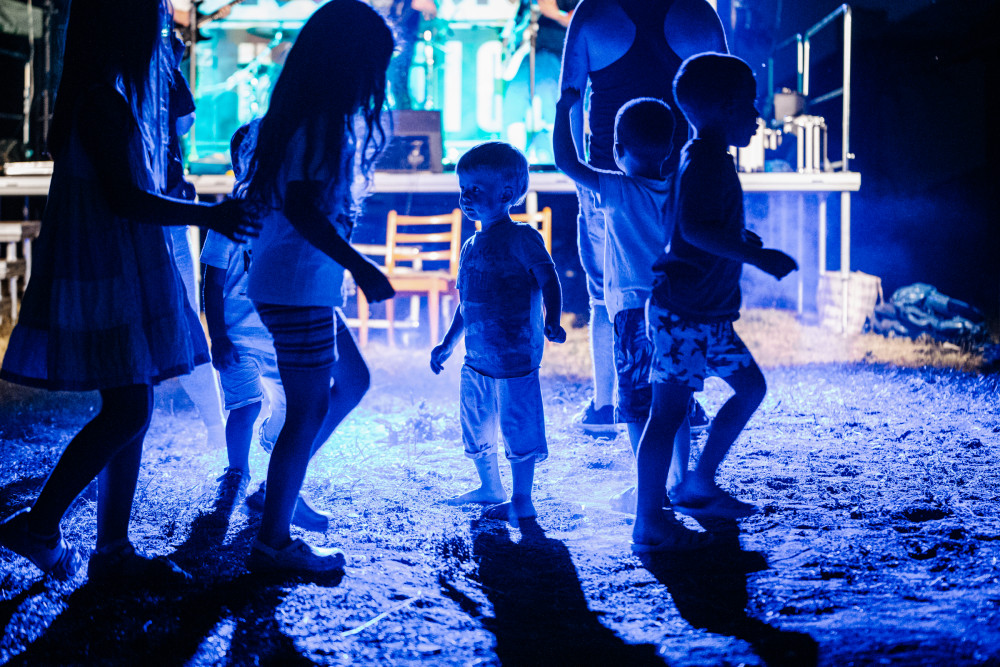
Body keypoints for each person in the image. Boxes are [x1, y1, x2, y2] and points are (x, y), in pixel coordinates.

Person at [0, 0, 257, 582]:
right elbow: (124, 199)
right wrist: (209, 215)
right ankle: (42, 526)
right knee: (129, 407)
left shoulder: (97, 96)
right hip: (109, 269)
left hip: (109, 265)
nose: (159, 38)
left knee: (130, 402)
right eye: (153, 26)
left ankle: (110, 548)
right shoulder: (102, 102)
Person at [239, 0, 396, 574]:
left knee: (352, 381)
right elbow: (304, 210)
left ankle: (275, 493)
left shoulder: (305, 117)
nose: (376, 82)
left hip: (298, 284)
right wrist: (361, 265)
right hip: (296, 285)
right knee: (306, 411)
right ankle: (273, 542)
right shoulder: (317, 124)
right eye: (374, 67)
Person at [632, 53, 798, 551]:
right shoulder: (705, 160)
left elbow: (702, 227)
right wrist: (757, 255)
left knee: (750, 388)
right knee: (667, 415)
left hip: (709, 315)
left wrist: (739, 238)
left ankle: (699, 485)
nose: (757, 116)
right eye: (750, 104)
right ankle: (648, 522)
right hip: (683, 315)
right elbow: (693, 230)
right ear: (725, 108)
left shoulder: (707, 157)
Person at [559, 0, 727, 436]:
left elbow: (570, 98)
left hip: (607, 180)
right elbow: (723, 99)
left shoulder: (593, 12)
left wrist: (582, 175)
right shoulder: (699, 13)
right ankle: (684, 402)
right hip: (681, 184)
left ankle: (604, 406)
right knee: (682, 290)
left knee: (605, 295)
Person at [553, 90, 688, 513]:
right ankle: (683, 482)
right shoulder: (678, 190)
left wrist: (563, 110)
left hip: (633, 313)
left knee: (635, 406)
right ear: (670, 148)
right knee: (675, 400)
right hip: (678, 310)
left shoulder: (617, 189)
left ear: (616, 150)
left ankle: (648, 489)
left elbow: (567, 163)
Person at [430, 141, 567, 524]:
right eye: (463, 188)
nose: (466, 196)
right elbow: (467, 304)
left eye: (476, 188)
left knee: (518, 425)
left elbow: (549, 278)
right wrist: (447, 343)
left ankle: (522, 499)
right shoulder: (470, 246)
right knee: (477, 424)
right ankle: (490, 486)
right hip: (476, 359)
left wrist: (553, 318)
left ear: (506, 194)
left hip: (515, 358)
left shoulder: (522, 237)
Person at [163, 25, 228, 452]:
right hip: (167, 211)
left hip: (157, 210)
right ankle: (215, 426)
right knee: (186, 318)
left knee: (174, 320)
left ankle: (216, 427)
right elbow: (185, 122)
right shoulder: (164, 69)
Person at [500, 0, 579, 163]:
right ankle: (512, 160)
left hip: (556, 53)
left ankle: (557, 158)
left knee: (549, 98)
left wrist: (554, 12)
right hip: (531, 54)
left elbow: (578, 19)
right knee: (514, 99)